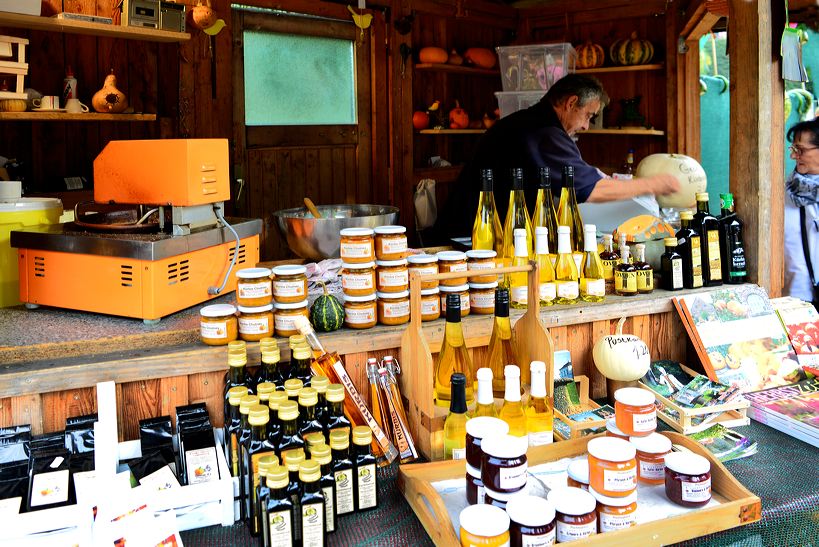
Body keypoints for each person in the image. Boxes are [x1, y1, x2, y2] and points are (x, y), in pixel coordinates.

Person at [433, 73, 680, 240]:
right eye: (589, 116)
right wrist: (655, 184)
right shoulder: (544, 132)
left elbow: (578, 173)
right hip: (470, 239)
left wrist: (597, 174)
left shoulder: (531, 122)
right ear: (571, 102)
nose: (586, 126)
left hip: (478, 232)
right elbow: (592, 190)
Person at [784, 119, 819, 304]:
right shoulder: (787, 193)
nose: (794, 156)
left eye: (801, 150)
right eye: (794, 149)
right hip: (799, 297)